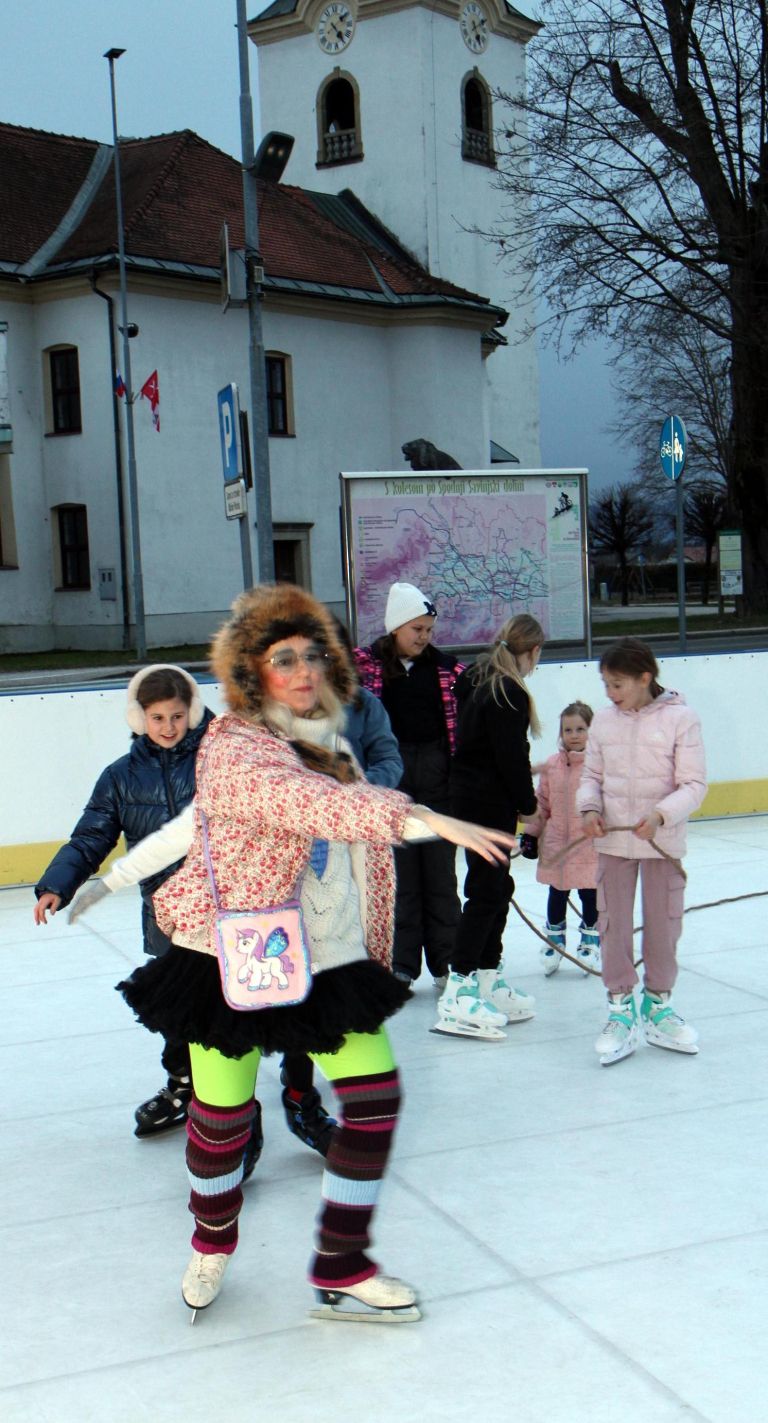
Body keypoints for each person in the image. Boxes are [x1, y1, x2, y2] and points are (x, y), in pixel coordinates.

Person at [113, 584, 517, 1322]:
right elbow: (308, 803)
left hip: (326, 950)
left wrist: (420, 825)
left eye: (313, 656)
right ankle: (212, 1238)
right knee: (221, 1118)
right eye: (283, 659)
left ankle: (342, 1261)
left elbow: (349, 822)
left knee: (375, 1099)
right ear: (251, 673)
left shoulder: (330, 740)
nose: (304, 671)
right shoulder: (233, 747)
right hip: (237, 953)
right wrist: (424, 815)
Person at [33, 665, 219, 1140]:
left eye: (177, 716)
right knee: (175, 1005)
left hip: (224, 905)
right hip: (164, 911)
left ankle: (244, 1095)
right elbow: (91, 836)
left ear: (193, 712)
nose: (168, 727)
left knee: (230, 1001)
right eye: (157, 717)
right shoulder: (120, 776)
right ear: (139, 718)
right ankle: (183, 1086)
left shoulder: (219, 762)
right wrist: (57, 884)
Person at [577, 638, 707, 1066]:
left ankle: (658, 1006)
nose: (610, 693)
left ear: (644, 677)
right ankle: (620, 1009)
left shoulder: (681, 719)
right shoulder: (603, 722)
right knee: (611, 925)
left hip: (659, 842)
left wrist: (661, 815)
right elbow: (591, 776)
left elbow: (694, 784)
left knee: (663, 926)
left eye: (617, 684)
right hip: (614, 842)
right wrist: (590, 807)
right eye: (606, 684)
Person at [435, 614, 543, 1041]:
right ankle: (459, 986)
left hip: (471, 799)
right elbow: (510, 758)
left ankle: (487, 975)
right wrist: (530, 808)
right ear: (533, 652)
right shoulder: (507, 692)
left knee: (497, 887)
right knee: (485, 892)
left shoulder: (478, 679)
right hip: (488, 804)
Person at [354, 581, 464, 987]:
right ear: (396, 627)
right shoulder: (366, 668)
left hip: (437, 784)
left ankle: (446, 960)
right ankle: (402, 963)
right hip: (392, 787)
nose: (424, 637)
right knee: (400, 881)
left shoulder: (447, 671)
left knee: (441, 879)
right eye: (417, 629)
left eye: (429, 630)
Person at [524, 701, 600, 976]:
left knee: (590, 893)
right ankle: (554, 939)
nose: (574, 735)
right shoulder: (552, 766)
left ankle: (591, 939)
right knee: (557, 892)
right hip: (557, 844)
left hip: (587, 844)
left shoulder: (598, 766)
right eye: (568, 730)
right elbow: (542, 804)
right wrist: (531, 834)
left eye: (580, 729)